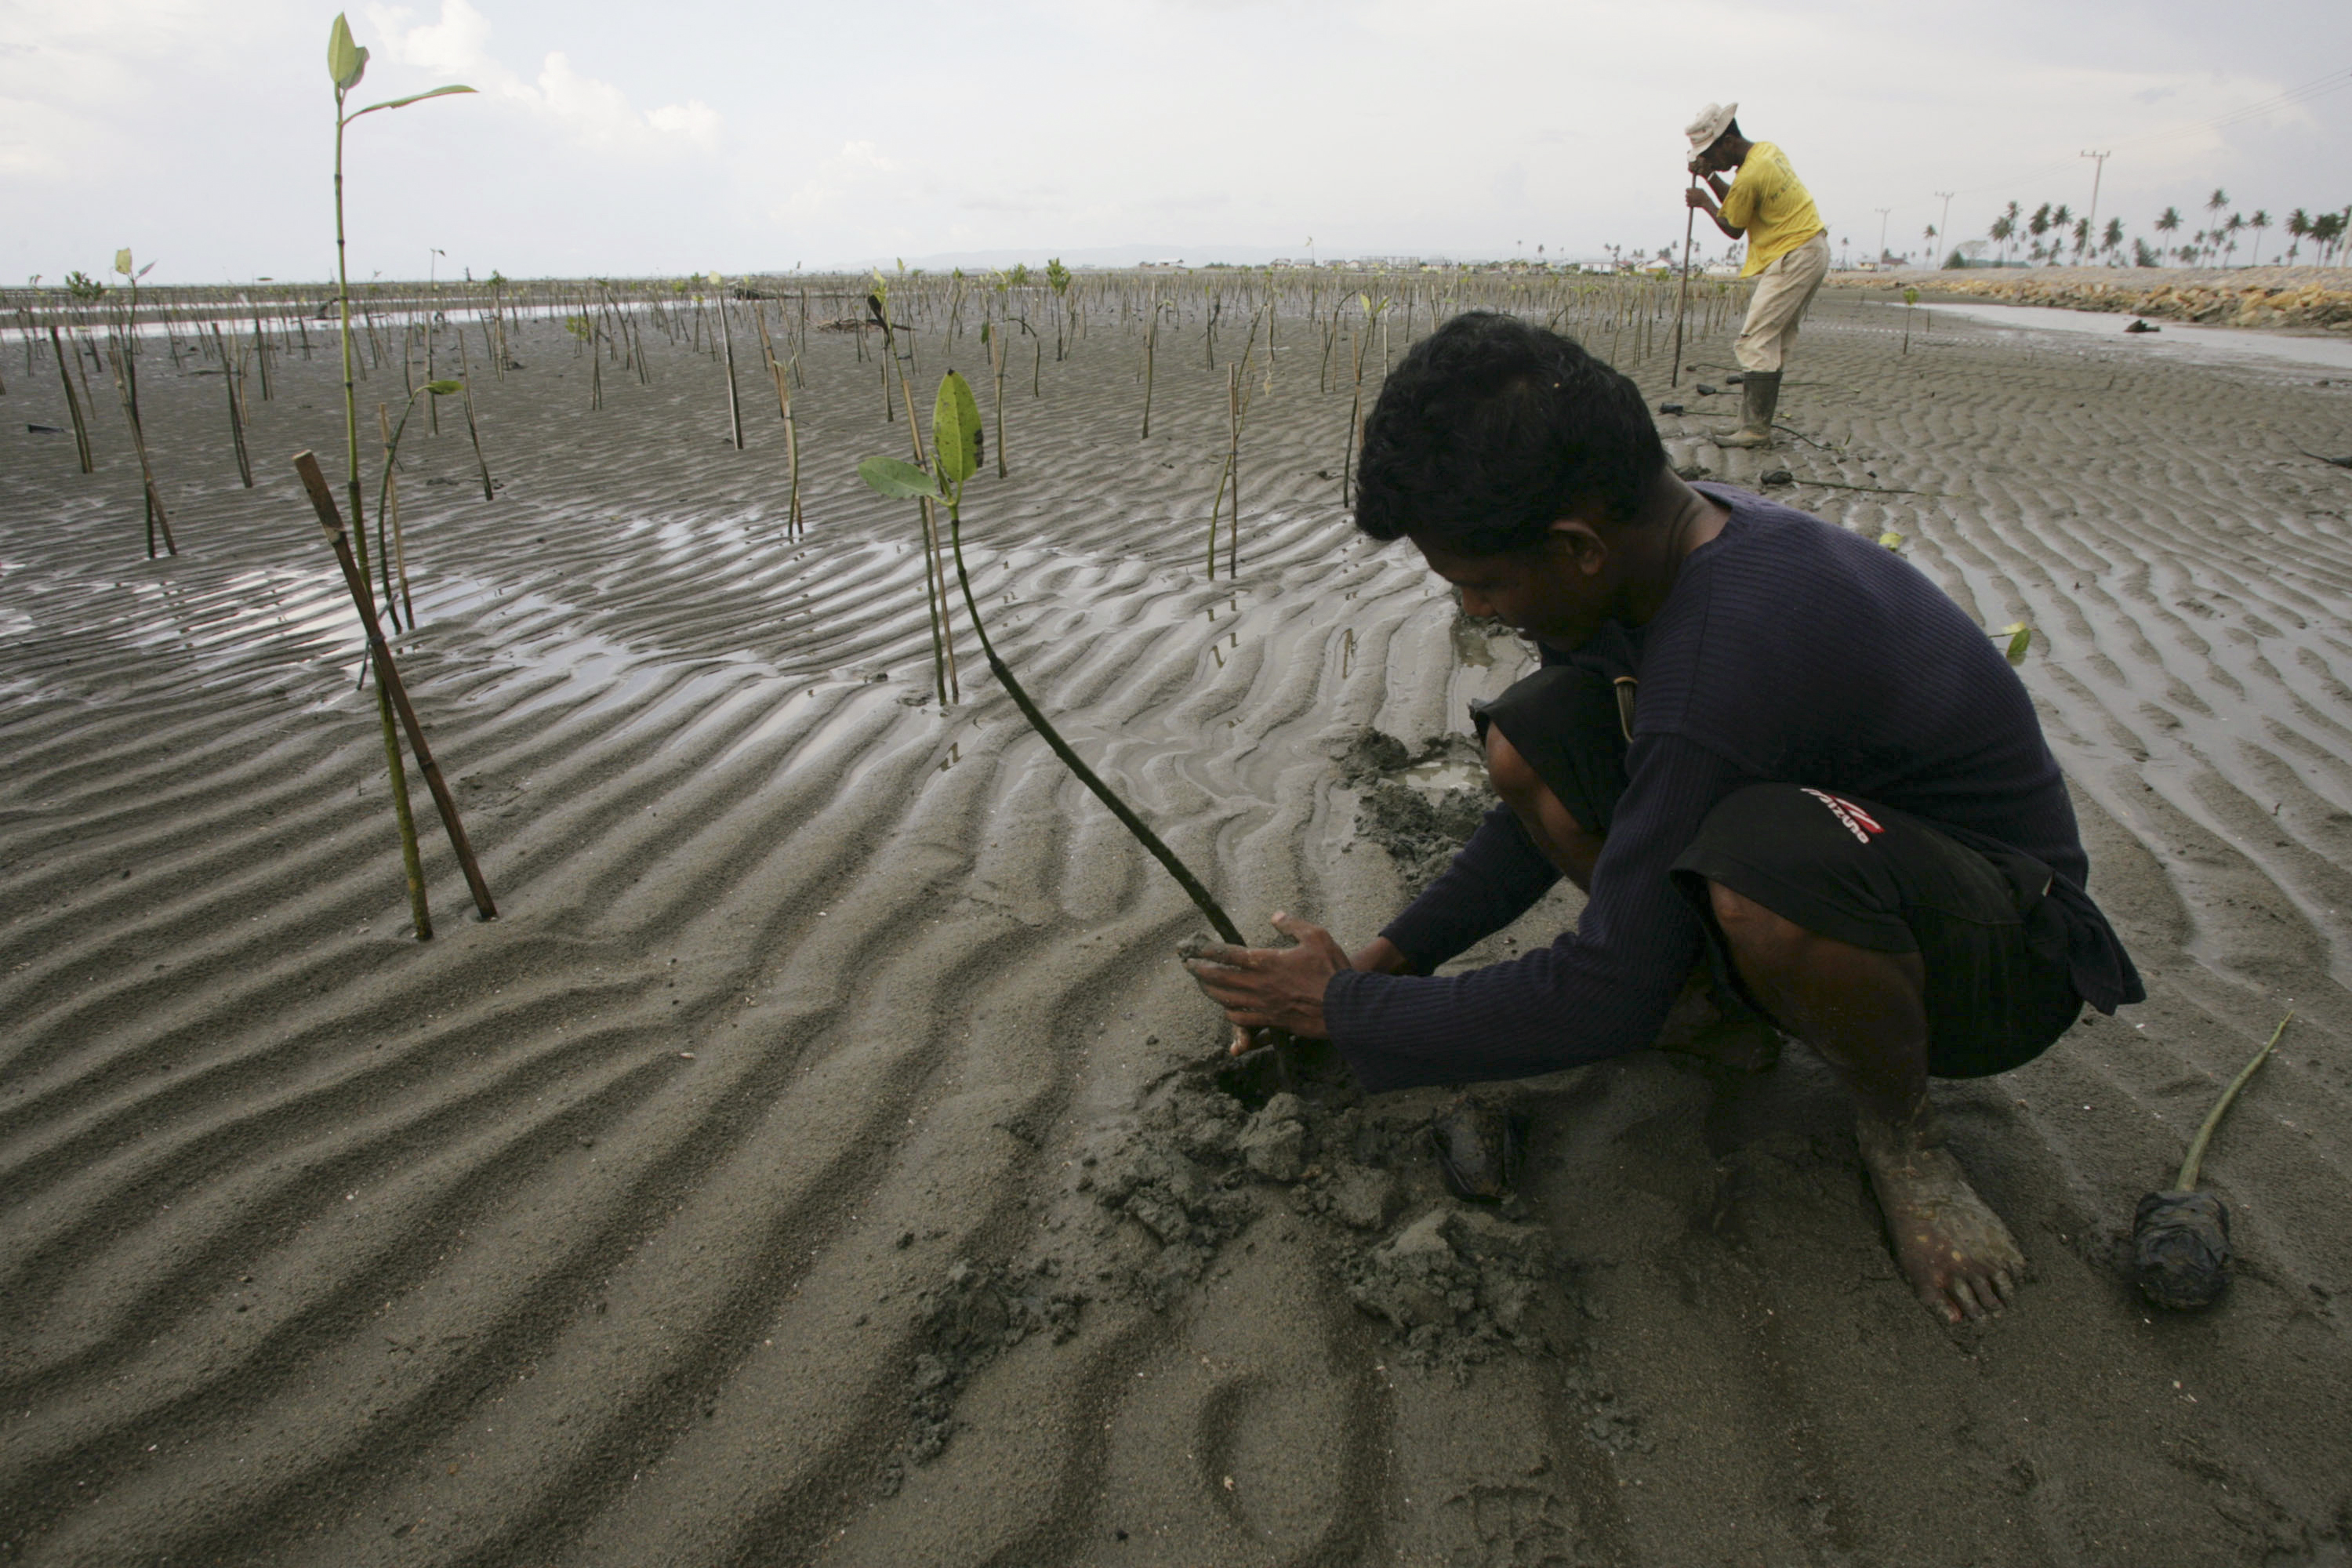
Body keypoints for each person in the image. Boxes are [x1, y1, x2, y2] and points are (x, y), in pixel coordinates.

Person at [1183, 313, 2142, 1325]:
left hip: (2000, 951)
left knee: (1762, 872)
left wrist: (1336, 1013)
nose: (1475, 613)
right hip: (1853, 850)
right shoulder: (1650, 559)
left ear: (1576, 546)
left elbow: (1605, 996)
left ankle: (1900, 1129)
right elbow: (1530, 821)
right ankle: (1725, 1004)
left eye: (1481, 584)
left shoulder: (1729, 646)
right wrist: (1382, 963)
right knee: (1534, 737)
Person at [1682, 102, 1829, 448]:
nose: (1713, 161)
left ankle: (1755, 430)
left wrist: (1704, 200)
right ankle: (1751, 423)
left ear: (1728, 141)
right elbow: (1739, 203)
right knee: (1773, 340)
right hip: (1810, 249)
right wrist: (1709, 176)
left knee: (1755, 340)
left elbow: (1733, 225)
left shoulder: (1751, 173)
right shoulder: (1766, 151)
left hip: (1795, 255)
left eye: (1712, 155)